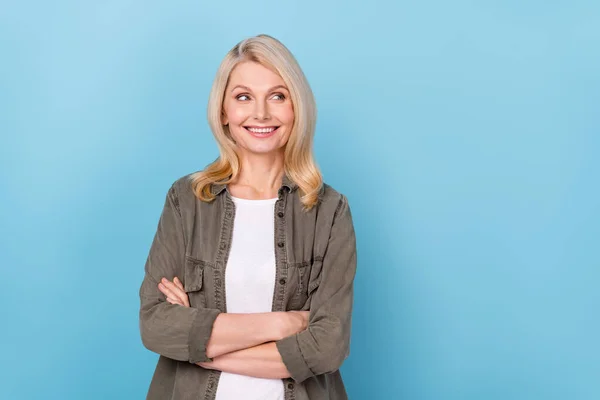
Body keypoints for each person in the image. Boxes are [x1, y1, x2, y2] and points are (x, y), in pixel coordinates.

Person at [138, 34, 358, 400]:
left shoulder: (329, 210)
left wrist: (202, 346)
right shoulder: (186, 200)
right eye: (243, 97)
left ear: (296, 108)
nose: (261, 114)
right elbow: (156, 325)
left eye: (278, 96)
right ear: (224, 111)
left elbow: (327, 347)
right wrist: (284, 323)